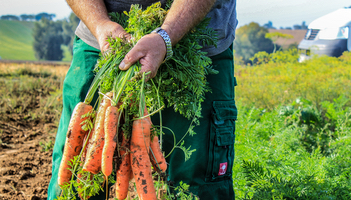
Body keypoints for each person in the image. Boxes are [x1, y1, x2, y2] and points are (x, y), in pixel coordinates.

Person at [47, 0, 238, 199]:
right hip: (103, 40)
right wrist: (100, 23)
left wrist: (166, 35)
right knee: (75, 178)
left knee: (198, 185)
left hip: (196, 45)